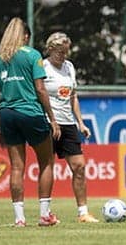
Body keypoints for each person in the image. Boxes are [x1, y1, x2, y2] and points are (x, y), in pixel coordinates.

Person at [0, 18, 61, 227]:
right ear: (25, 36)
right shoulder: (32, 55)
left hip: (7, 114)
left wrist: (0, 125)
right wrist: (52, 119)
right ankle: (45, 215)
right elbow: (40, 89)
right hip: (31, 112)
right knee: (46, 162)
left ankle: (19, 218)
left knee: (17, 167)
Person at [42, 31, 99, 223]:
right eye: (60, 52)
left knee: (79, 166)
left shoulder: (69, 67)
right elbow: (39, 94)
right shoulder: (42, 67)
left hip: (68, 124)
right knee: (47, 167)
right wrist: (51, 120)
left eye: (66, 52)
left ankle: (83, 212)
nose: (63, 56)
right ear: (50, 49)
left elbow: (73, 96)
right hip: (49, 122)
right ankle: (46, 212)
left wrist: (81, 123)